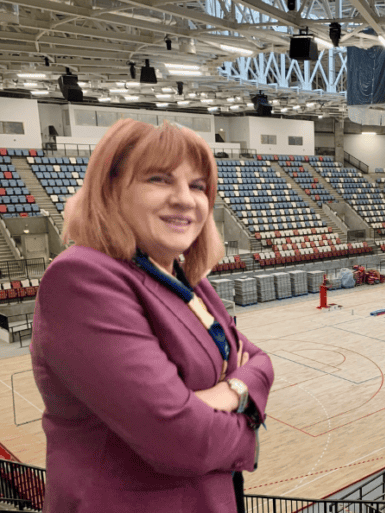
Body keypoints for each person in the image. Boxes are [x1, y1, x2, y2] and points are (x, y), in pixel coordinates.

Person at [30, 119, 274, 512]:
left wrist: (228, 392)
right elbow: (183, 441)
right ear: (111, 189)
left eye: (197, 186)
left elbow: (260, 361)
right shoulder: (81, 278)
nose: (184, 199)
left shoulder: (185, 277)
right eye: (159, 179)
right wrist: (245, 423)